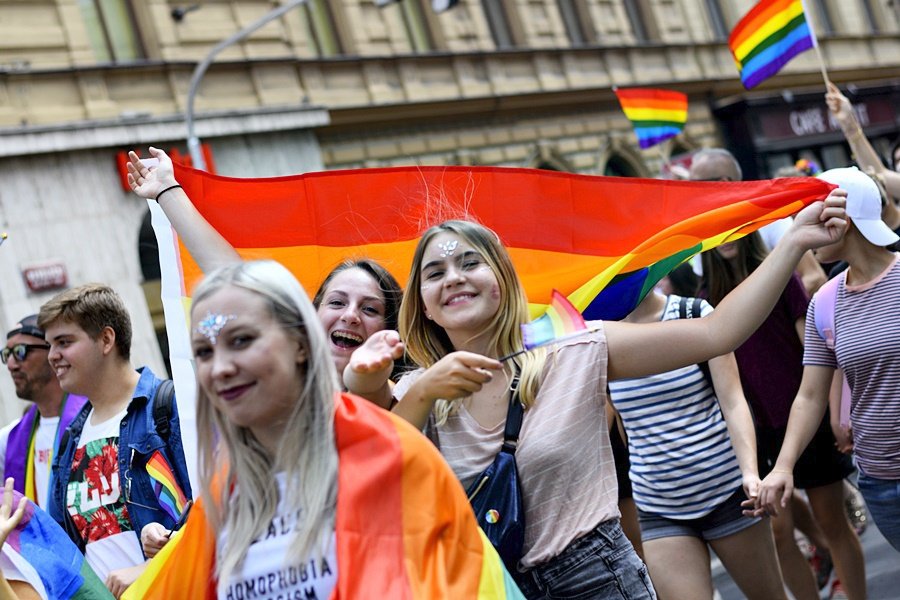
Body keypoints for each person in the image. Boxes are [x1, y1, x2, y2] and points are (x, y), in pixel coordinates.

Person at [345, 189, 847, 599]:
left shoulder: (575, 348)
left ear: (502, 280)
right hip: (489, 588)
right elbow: (367, 455)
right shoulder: (417, 393)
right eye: (435, 273)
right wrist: (370, 380)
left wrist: (792, 243)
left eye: (470, 264)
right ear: (425, 307)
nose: (453, 277)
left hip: (595, 581)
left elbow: (716, 334)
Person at [121, 260, 523, 599]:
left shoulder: (388, 454)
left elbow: (471, 583)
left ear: (300, 342)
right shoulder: (223, 492)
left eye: (241, 340)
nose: (221, 367)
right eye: (205, 352)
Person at [125, 148, 406, 391]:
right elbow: (233, 276)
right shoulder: (285, 385)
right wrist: (166, 191)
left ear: (391, 330)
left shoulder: (408, 396)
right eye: (336, 302)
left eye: (370, 309)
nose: (351, 316)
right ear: (310, 317)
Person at [608, 289, 786, 599]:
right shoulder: (599, 336)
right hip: (658, 507)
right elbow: (622, 424)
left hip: (729, 494)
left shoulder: (693, 313)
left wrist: (749, 472)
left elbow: (732, 400)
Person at [758, 167, 900, 556]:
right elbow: (809, 395)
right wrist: (784, 466)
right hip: (881, 481)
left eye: (810, 212)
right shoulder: (826, 301)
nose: (801, 227)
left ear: (842, 217)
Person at [37, 285, 192, 598]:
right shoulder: (69, 440)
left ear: (106, 339)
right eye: (50, 345)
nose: (52, 356)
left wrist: (150, 569)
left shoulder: (168, 408)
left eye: (64, 342)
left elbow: (220, 512)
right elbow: (63, 552)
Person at [690, 148, 827, 295]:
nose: (690, 192)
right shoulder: (699, 228)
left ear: (724, 182)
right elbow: (709, 292)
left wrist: (777, 311)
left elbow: (813, 277)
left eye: (696, 185)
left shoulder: (768, 216)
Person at [0, 315, 87, 509]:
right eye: (7, 354)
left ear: (53, 352)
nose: (11, 365)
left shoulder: (95, 419)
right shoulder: (8, 440)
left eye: (20, 352)